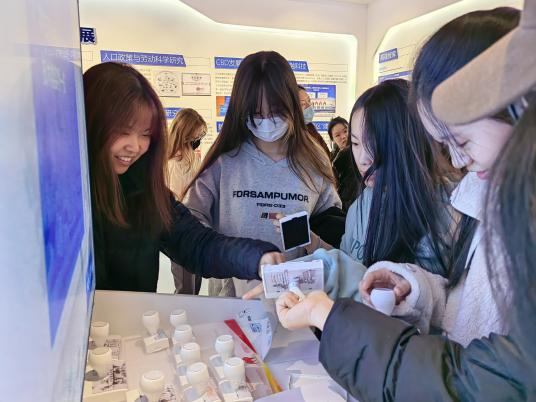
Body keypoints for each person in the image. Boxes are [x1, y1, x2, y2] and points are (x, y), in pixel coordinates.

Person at [273, 5, 536, 400]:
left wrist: (330, 316)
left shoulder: (460, 205)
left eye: (461, 141)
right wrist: (414, 287)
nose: (457, 161)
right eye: (354, 143)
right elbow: (468, 311)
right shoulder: (487, 199)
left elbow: (482, 380)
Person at [84, 62, 284, 292]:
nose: (135, 146)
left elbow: (197, 244)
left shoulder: (145, 193)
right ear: (91, 123)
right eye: (123, 131)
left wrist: (257, 258)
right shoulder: (67, 198)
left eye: (145, 134)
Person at [183, 51, 341, 297]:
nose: (267, 121)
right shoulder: (224, 161)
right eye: (256, 113)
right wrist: (230, 254)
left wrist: (309, 238)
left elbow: (332, 241)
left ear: (291, 104)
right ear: (241, 109)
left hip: (299, 300)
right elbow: (189, 225)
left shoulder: (314, 160)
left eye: (276, 110)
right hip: (234, 301)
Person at [167, 108, 206, 294]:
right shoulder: (175, 163)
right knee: (185, 288)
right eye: (196, 136)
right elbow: (179, 201)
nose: (198, 139)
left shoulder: (191, 157)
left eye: (201, 135)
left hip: (194, 229)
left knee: (194, 286)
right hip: (182, 232)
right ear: (185, 135)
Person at [297, 85, 331, 159]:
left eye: (309, 101)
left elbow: (326, 154)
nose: (309, 106)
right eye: (303, 104)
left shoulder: (311, 128)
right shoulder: (291, 135)